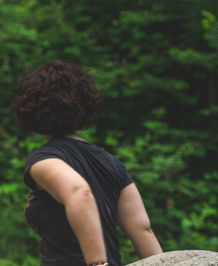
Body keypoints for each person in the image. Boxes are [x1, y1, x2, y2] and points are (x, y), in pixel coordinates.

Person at [13, 60, 163, 266]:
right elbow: (142, 230)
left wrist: (97, 263)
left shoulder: (43, 160)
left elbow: (79, 192)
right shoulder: (112, 164)